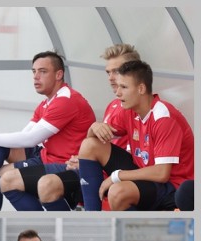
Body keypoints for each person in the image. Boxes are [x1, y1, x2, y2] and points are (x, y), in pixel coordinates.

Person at [78, 60, 194, 211]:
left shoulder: (164, 117)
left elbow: (162, 174)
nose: (117, 92)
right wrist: (94, 127)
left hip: (171, 185)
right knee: (90, 145)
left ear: (141, 88)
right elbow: (92, 140)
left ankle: (135, 229)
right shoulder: (127, 109)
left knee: (117, 192)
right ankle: (91, 216)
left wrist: (116, 176)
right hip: (144, 171)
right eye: (118, 86)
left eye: (124, 87)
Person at [38, 44, 140, 211]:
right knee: (46, 185)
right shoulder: (113, 105)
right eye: (108, 72)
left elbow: (138, 159)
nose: (111, 77)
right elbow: (97, 144)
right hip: (96, 170)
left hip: (119, 178)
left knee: (13, 178)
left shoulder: (141, 109)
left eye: (117, 71)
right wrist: (83, 159)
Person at [0, 51, 95, 211]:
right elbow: (24, 137)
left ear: (59, 74)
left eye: (43, 71)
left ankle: (59, 209)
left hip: (67, 164)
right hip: (47, 156)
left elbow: (30, 139)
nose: (36, 76)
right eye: (34, 71)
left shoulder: (66, 101)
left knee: (6, 180)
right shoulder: (46, 103)